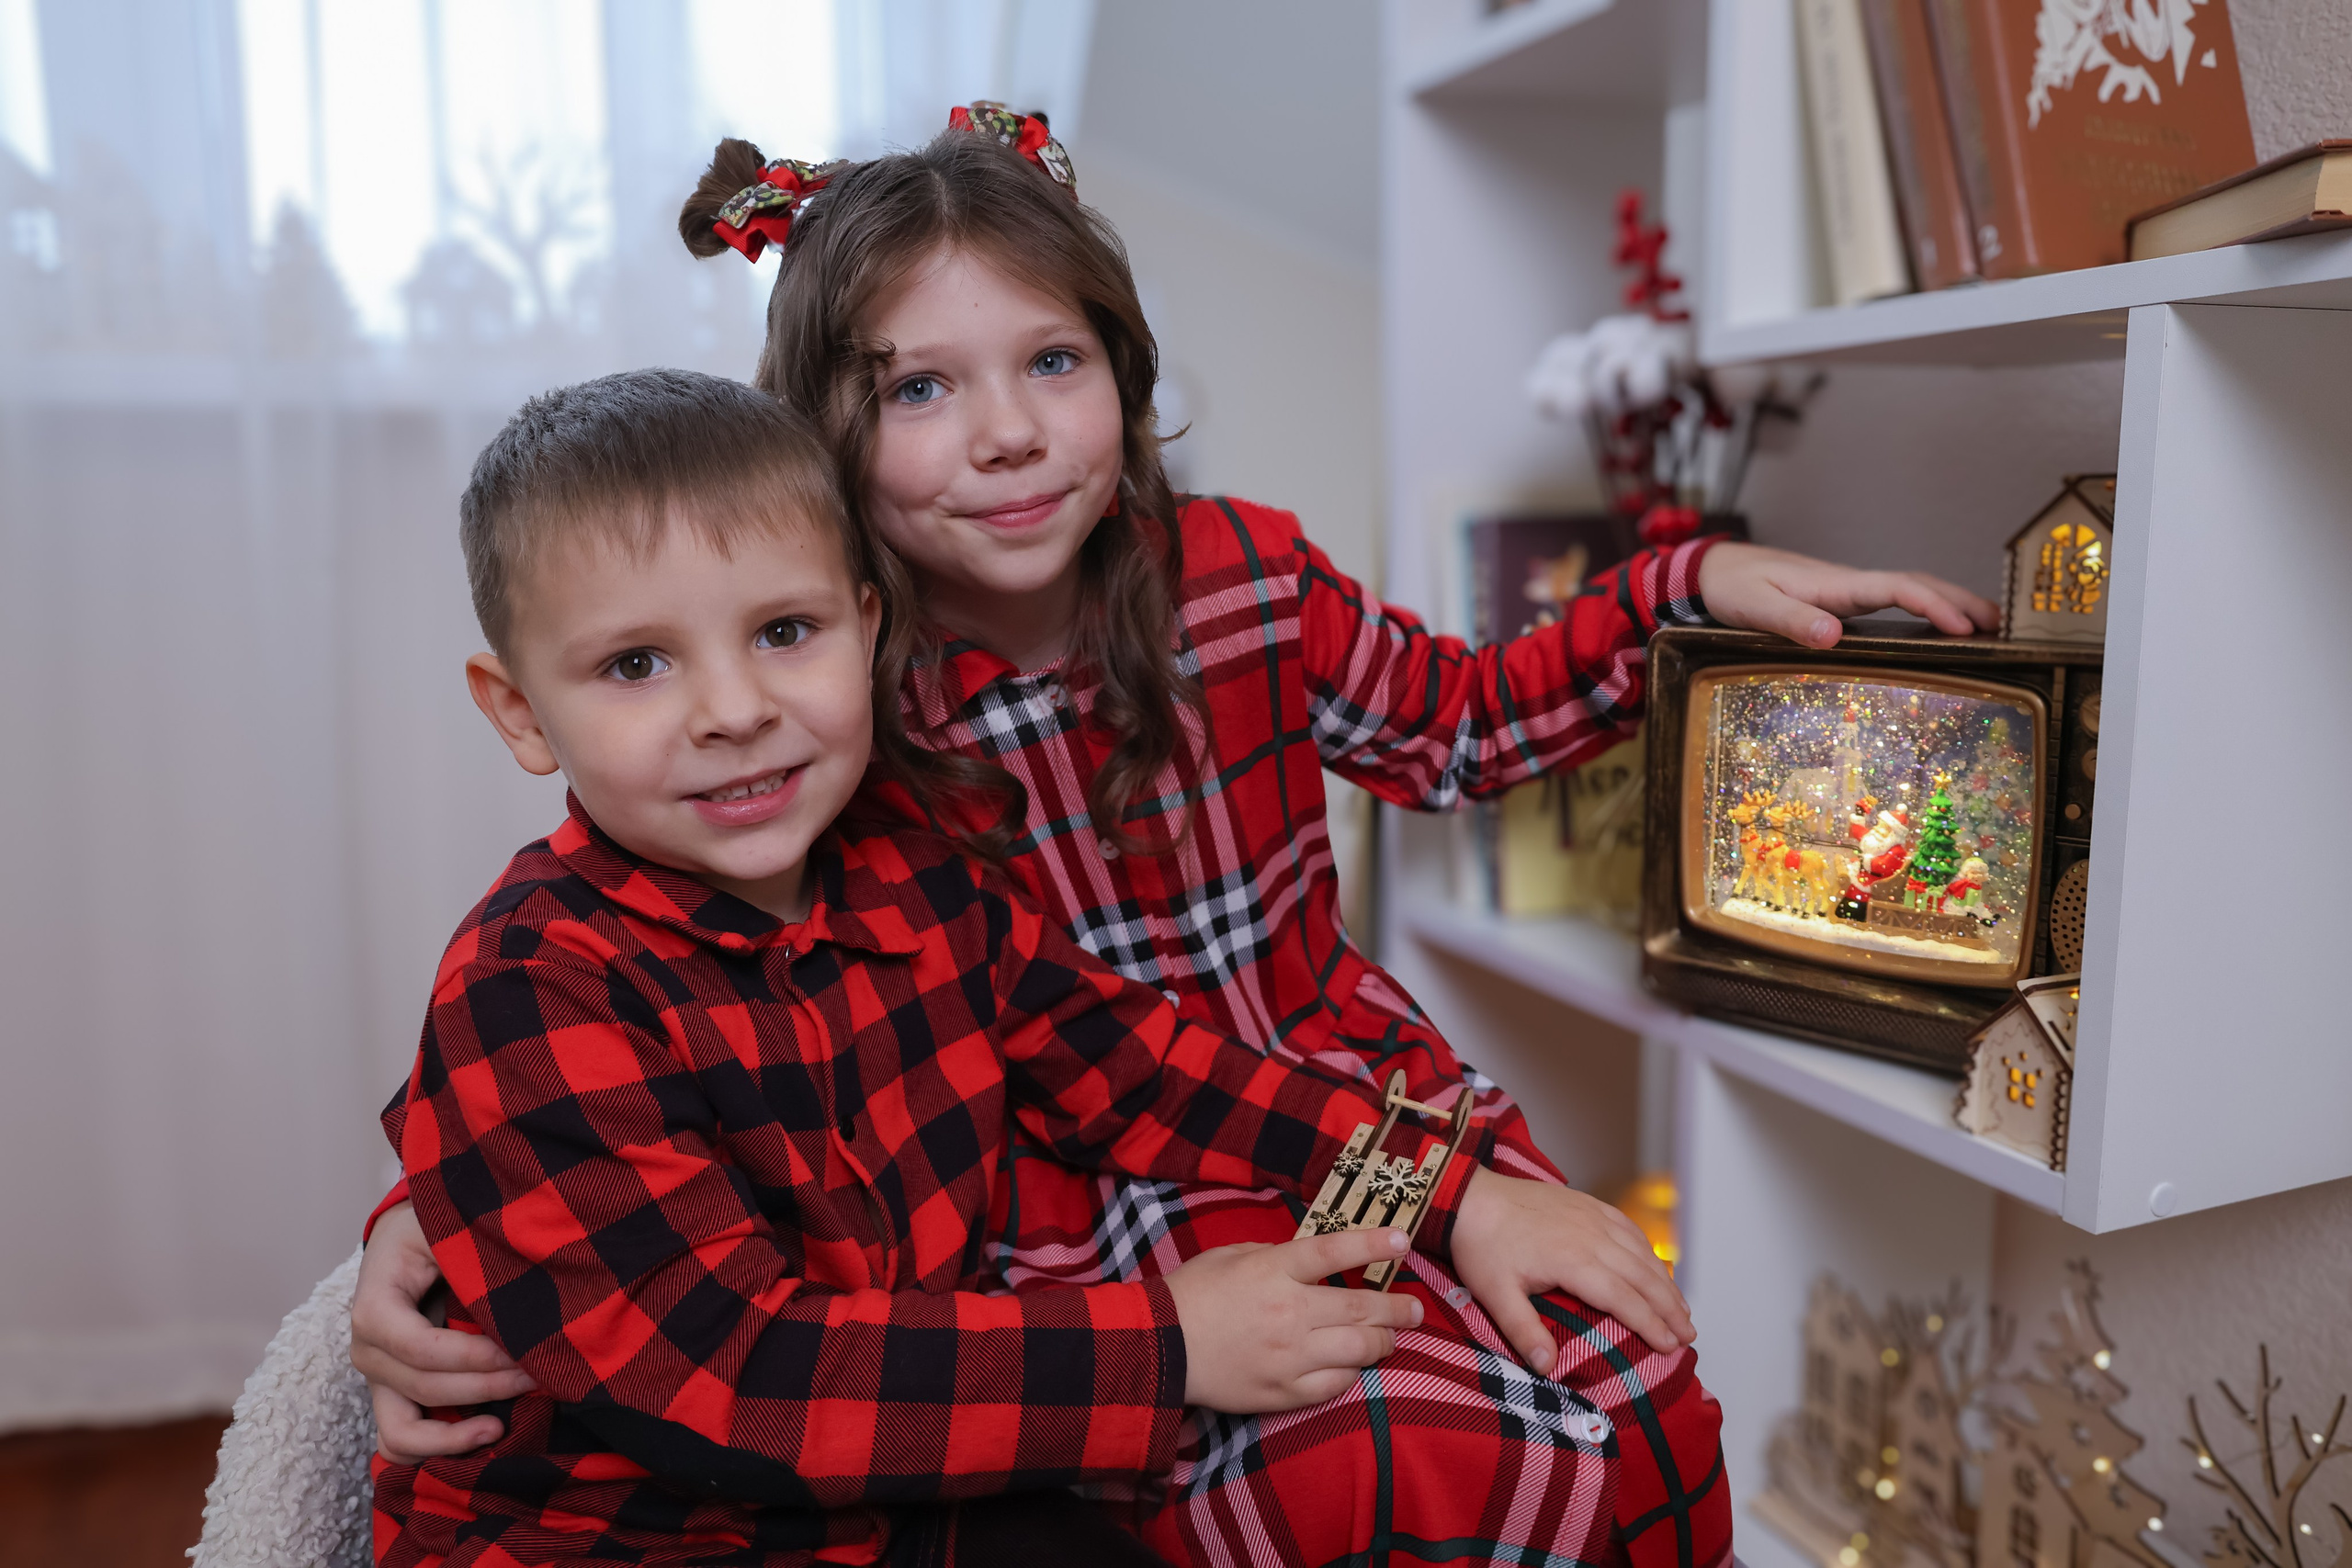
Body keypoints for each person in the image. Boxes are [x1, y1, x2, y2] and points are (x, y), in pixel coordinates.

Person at [356, 108, 2001, 1567]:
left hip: (1305, 1082)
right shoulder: (838, 717)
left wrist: (1681, 587)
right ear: (828, 458)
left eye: (1050, 363)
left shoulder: (1233, 586)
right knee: (1357, 1461)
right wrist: (424, 1226)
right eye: (922, 388)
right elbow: (654, 1053)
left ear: (1125, 374)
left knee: (1614, 1384)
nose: (1005, 434)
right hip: (1057, 1187)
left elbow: (1456, 725)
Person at [380, 366, 1448, 1565]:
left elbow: (1148, 1071)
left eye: (786, 632)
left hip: (901, 1481)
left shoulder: (924, 875)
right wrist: (1170, 1343)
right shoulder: (533, 984)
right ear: (520, 712)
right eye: (637, 665)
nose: (733, 709)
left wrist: (1450, 1187)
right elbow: (741, 1385)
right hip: (629, 1533)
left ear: (867, 626)